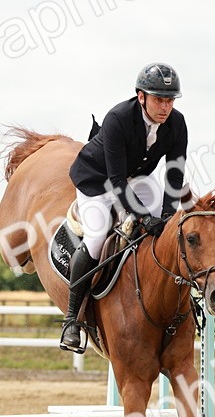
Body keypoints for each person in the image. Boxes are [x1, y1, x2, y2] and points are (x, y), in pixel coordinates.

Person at [60, 61, 188, 352]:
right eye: (158, 99)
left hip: (137, 179)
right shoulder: (118, 117)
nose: (165, 107)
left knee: (169, 228)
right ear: (141, 96)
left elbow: (174, 174)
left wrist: (166, 215)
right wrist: (143, 217)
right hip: (97, 181)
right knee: (95, 238)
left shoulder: (177, 124)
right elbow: (115, 181)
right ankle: (72, 320)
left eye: (169, 100)